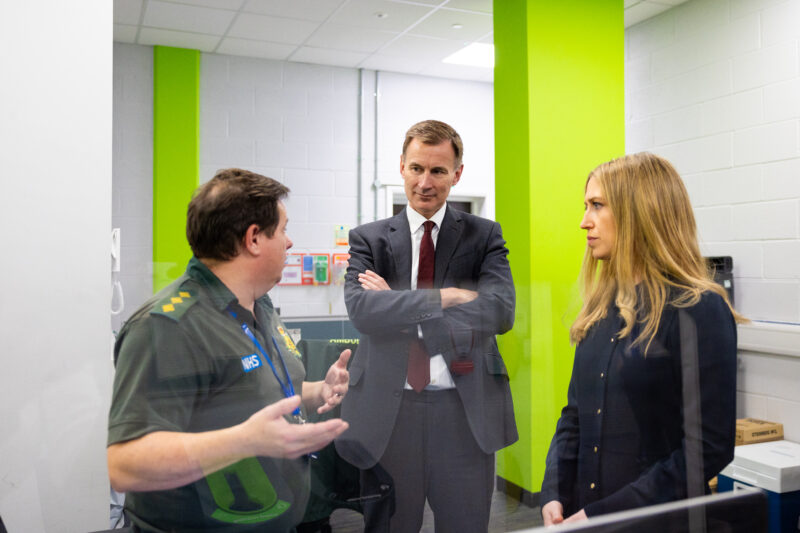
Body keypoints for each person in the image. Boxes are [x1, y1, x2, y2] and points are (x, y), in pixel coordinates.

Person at [107, 168, 351, 532]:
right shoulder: (168, 326)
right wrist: (245, 441)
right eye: (283, 230)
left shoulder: (260, 307)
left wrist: (317, 392)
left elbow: (254, 395)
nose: (289, 243)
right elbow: (125, 465)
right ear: (253, 239)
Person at [540, 152, 744, 526]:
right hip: (587, 517)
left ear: (640, 212)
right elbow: (575, 417)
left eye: (597, 206)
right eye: (586, 206)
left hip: (656, 522)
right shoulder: (601, 309)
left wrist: (603, 515)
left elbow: (707, 449)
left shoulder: (698, 309)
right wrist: (553, 491)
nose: (584, 222)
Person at [334, 120, 517, 532]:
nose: (425, 182)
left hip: (463, 415)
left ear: (457, 174)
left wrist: (399, 310)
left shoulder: (483, 236)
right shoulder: (370, 240)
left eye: (437, 171)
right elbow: (362, 312)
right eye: (416, 168)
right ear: (401, 166)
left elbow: (500, 312)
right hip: (389, 416)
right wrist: (448, 297)